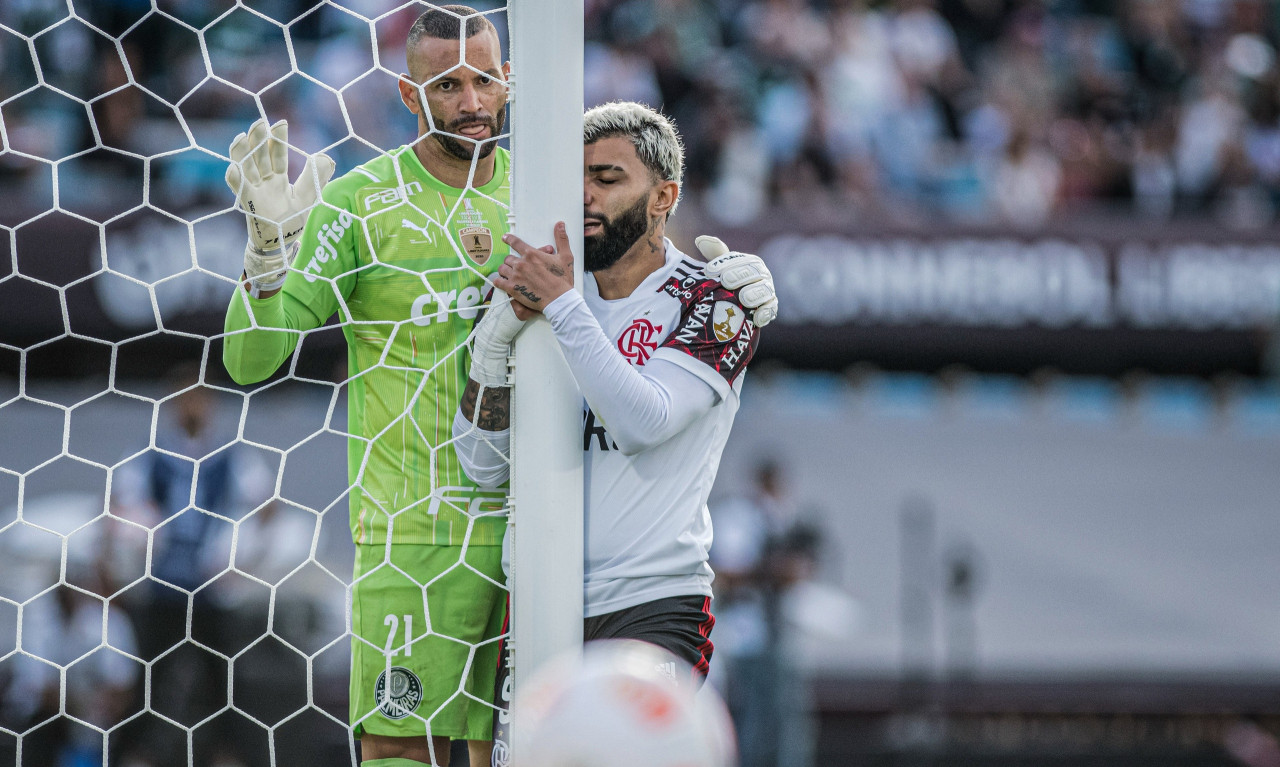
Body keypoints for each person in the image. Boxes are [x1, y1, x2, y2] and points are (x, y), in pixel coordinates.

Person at [221, 9, 777, 767]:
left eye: (485, 80)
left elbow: (639, 266)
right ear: (408, 94)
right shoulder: (358, 203)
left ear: (511, 81)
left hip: (535, 540)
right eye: (447, 86)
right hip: (415, 532)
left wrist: (734, 282)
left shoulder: (546, 191)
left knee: (527, 752)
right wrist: (265, 263)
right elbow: (251, 362)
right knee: (400, 748)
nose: (472, 102)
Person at [453, 101, 771, 687]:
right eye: (574, 179)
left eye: (606, 178)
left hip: (651, 605)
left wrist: (562, 306)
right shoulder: (536, 294)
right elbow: (482, 466)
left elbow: (643, 422)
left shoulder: (716, 300)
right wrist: (494, 345)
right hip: (533, 604)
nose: (583, 196)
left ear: (663, 198)